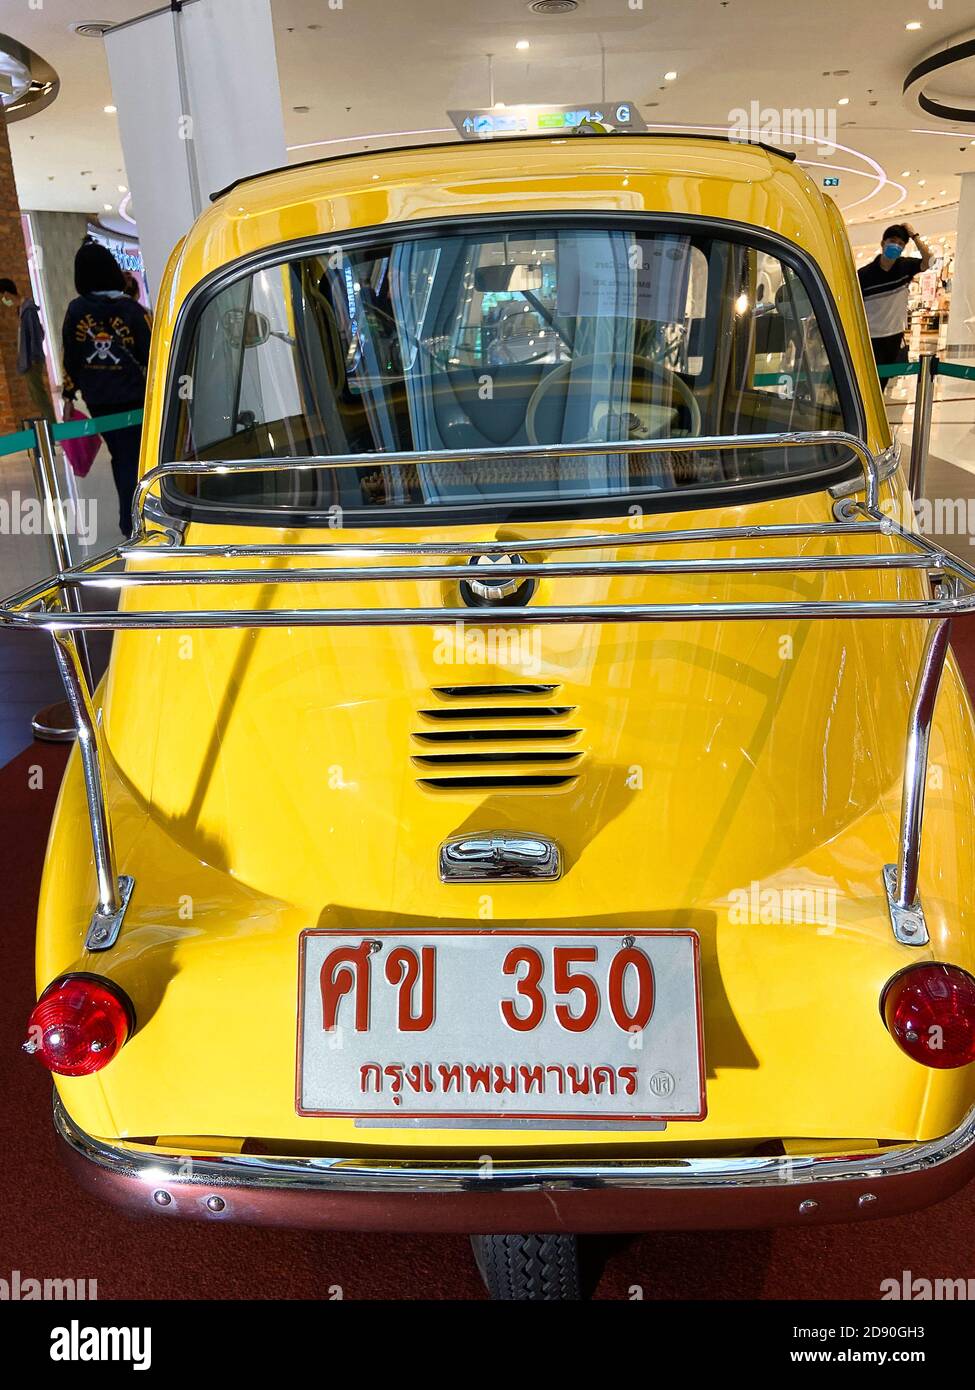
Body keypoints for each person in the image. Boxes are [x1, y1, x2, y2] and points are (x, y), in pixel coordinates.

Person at [61, 240, 151, 537]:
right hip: (136, 398)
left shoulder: (76, 311)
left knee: (120, 457)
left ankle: (131, 519)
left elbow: (71, 357)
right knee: (140, 456)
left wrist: (69, 395)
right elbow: (150, 352)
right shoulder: (131, 310)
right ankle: (136, 518)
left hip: (99, 400)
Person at [857, 223, 933, 370]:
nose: (896, 246)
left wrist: (914, 236)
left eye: (900, 244)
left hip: (894, 335)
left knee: (886, 379)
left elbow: (930, 261)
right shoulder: (864, 274)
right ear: (883, 243)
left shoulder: (905, 267)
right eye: (892, 241)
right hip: (869, 336)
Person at [0, 276, 55, 422]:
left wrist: (32, 358)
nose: (4, 301)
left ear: (6, 294)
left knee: (39, 396)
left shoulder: (28, 311)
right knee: (36, 396)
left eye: (2, 297)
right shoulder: (22, 310)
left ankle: (53, 428)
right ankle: (49, 425)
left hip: (32, 360)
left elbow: (36, 335)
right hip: (29, 359)